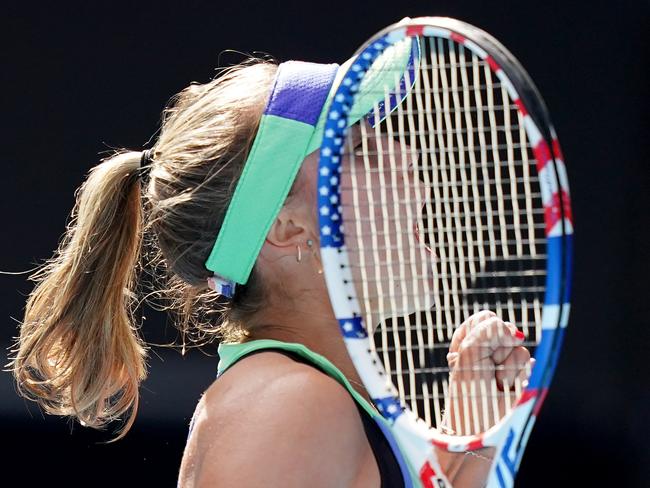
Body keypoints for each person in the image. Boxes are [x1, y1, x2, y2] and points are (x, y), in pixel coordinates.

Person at [9, 48, 531, 487]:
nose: (404, 153)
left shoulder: (301, 399)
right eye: (358, 149)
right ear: (287, 228)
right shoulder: (291, 404)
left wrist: (472, 438)